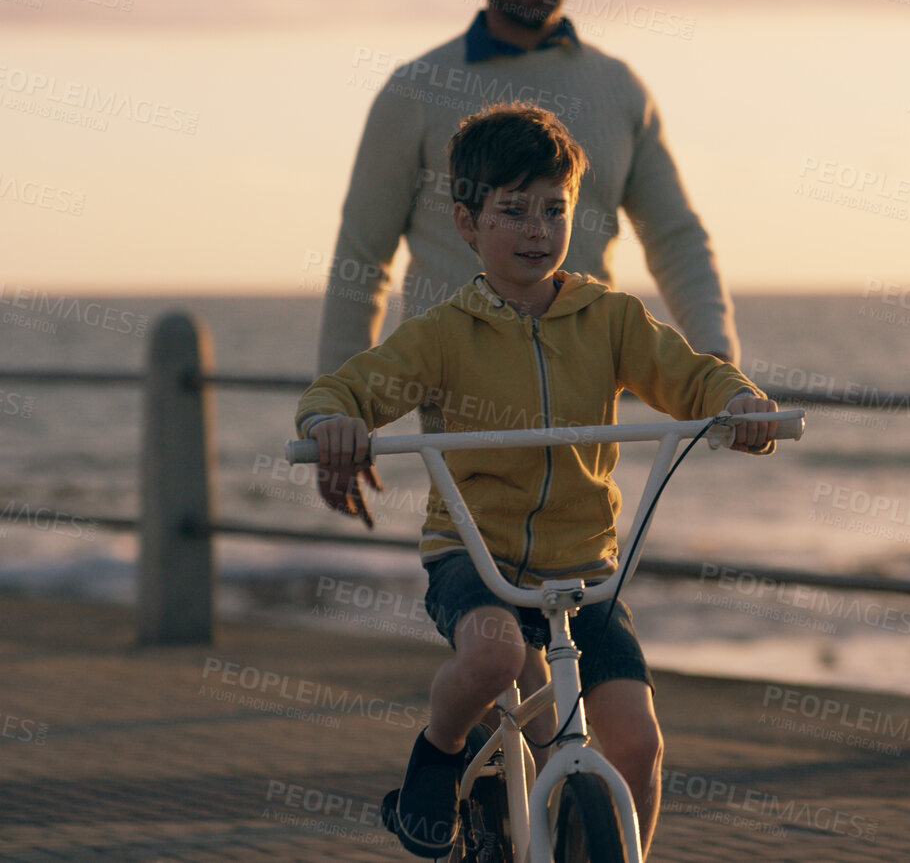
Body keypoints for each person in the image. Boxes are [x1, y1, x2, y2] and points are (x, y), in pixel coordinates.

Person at [296, 102, 777, 858]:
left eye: (553, 210)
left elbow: (688, 375)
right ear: (466, 222)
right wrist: (333, 422)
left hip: (585, 573)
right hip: (478, 560)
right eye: (512, 210)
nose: (535, 230)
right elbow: (350, 387)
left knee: (637, 745)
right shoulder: (444, 334)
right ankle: (439, 750)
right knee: (494, 661)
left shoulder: (609, 319)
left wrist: (736, 403)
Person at [318, 0, 739, 387]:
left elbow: (673, 238)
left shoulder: (620, 88)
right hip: (458, 399)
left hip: (587, 393)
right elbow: (362, 255)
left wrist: (718, 358)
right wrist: (338, 414)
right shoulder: (415, 90)